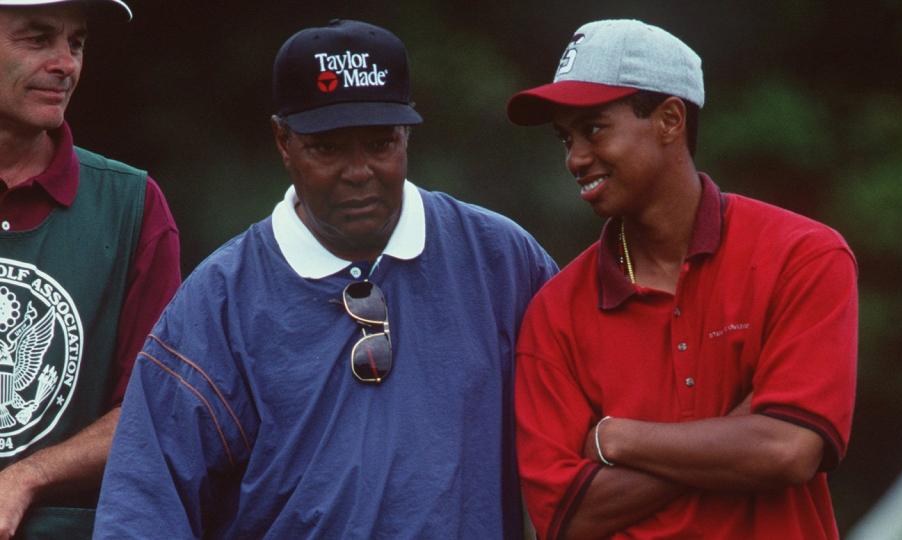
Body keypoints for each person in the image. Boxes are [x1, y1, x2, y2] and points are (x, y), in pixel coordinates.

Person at [93, 18, 556, 539]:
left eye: (380, 144)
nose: (358, 171)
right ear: (283, 141)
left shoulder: (500, 260)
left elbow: (583, 441)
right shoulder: (220, 299)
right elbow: (143, 506)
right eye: (329, 148)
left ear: (407, 136)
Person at [506, 19, 857, 539]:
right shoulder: (555, 311)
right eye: (566, 138)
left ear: (670, 119)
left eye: (595, 128)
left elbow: (789, 452)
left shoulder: (803, 255)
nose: (575, 158)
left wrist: (616, 439)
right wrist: (740, 433)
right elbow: (566, 518)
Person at [0, 0, 181, 538]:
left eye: (75, 43)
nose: (66, 64)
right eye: (37, 39)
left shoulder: (133, 206)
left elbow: (156, 409)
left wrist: (26, 477)